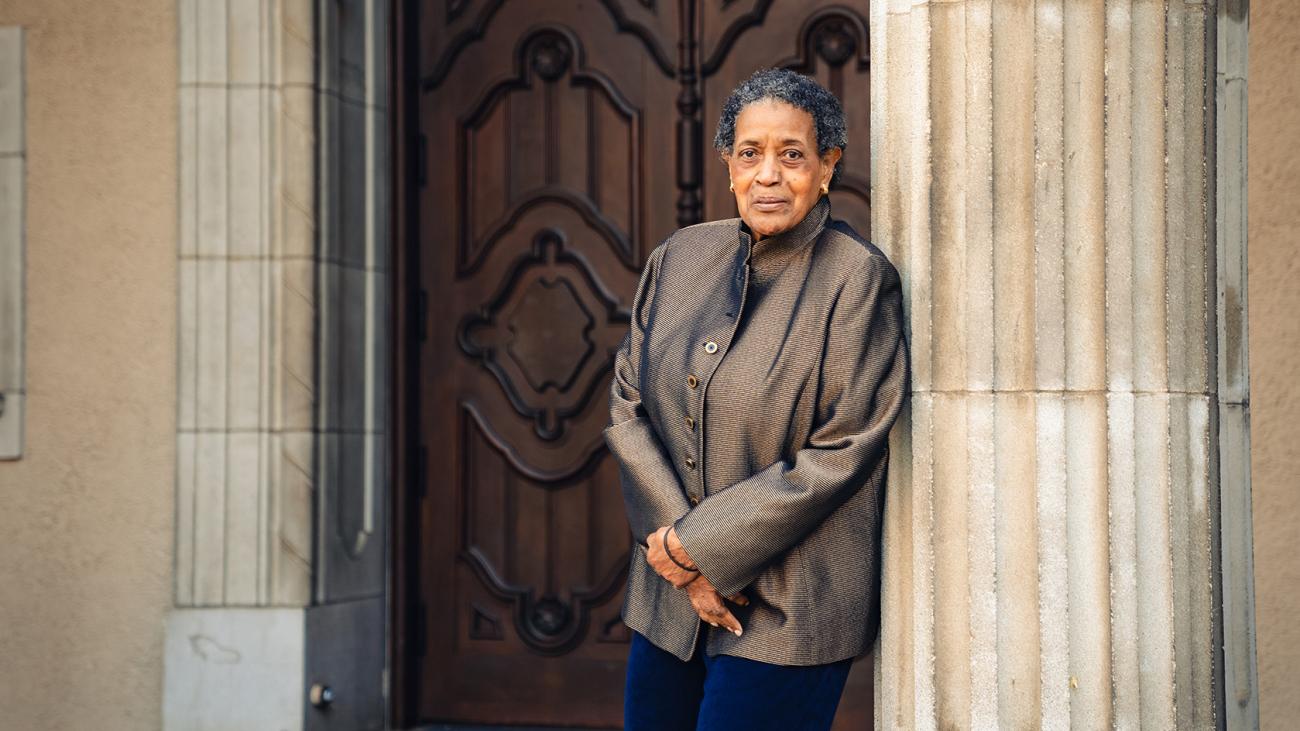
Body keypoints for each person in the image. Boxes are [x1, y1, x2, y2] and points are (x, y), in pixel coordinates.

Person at [603, 67, 910, 730]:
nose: (768, 175)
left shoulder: (858, 281)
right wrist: (679, 559)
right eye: (750, 153)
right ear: (728, 164)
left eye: (792, 154)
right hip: (668, 605)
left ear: (827, 166)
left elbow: (840, 449)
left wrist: (694, 548)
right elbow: (629, 407)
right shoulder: (678, 257)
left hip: (789, 612)